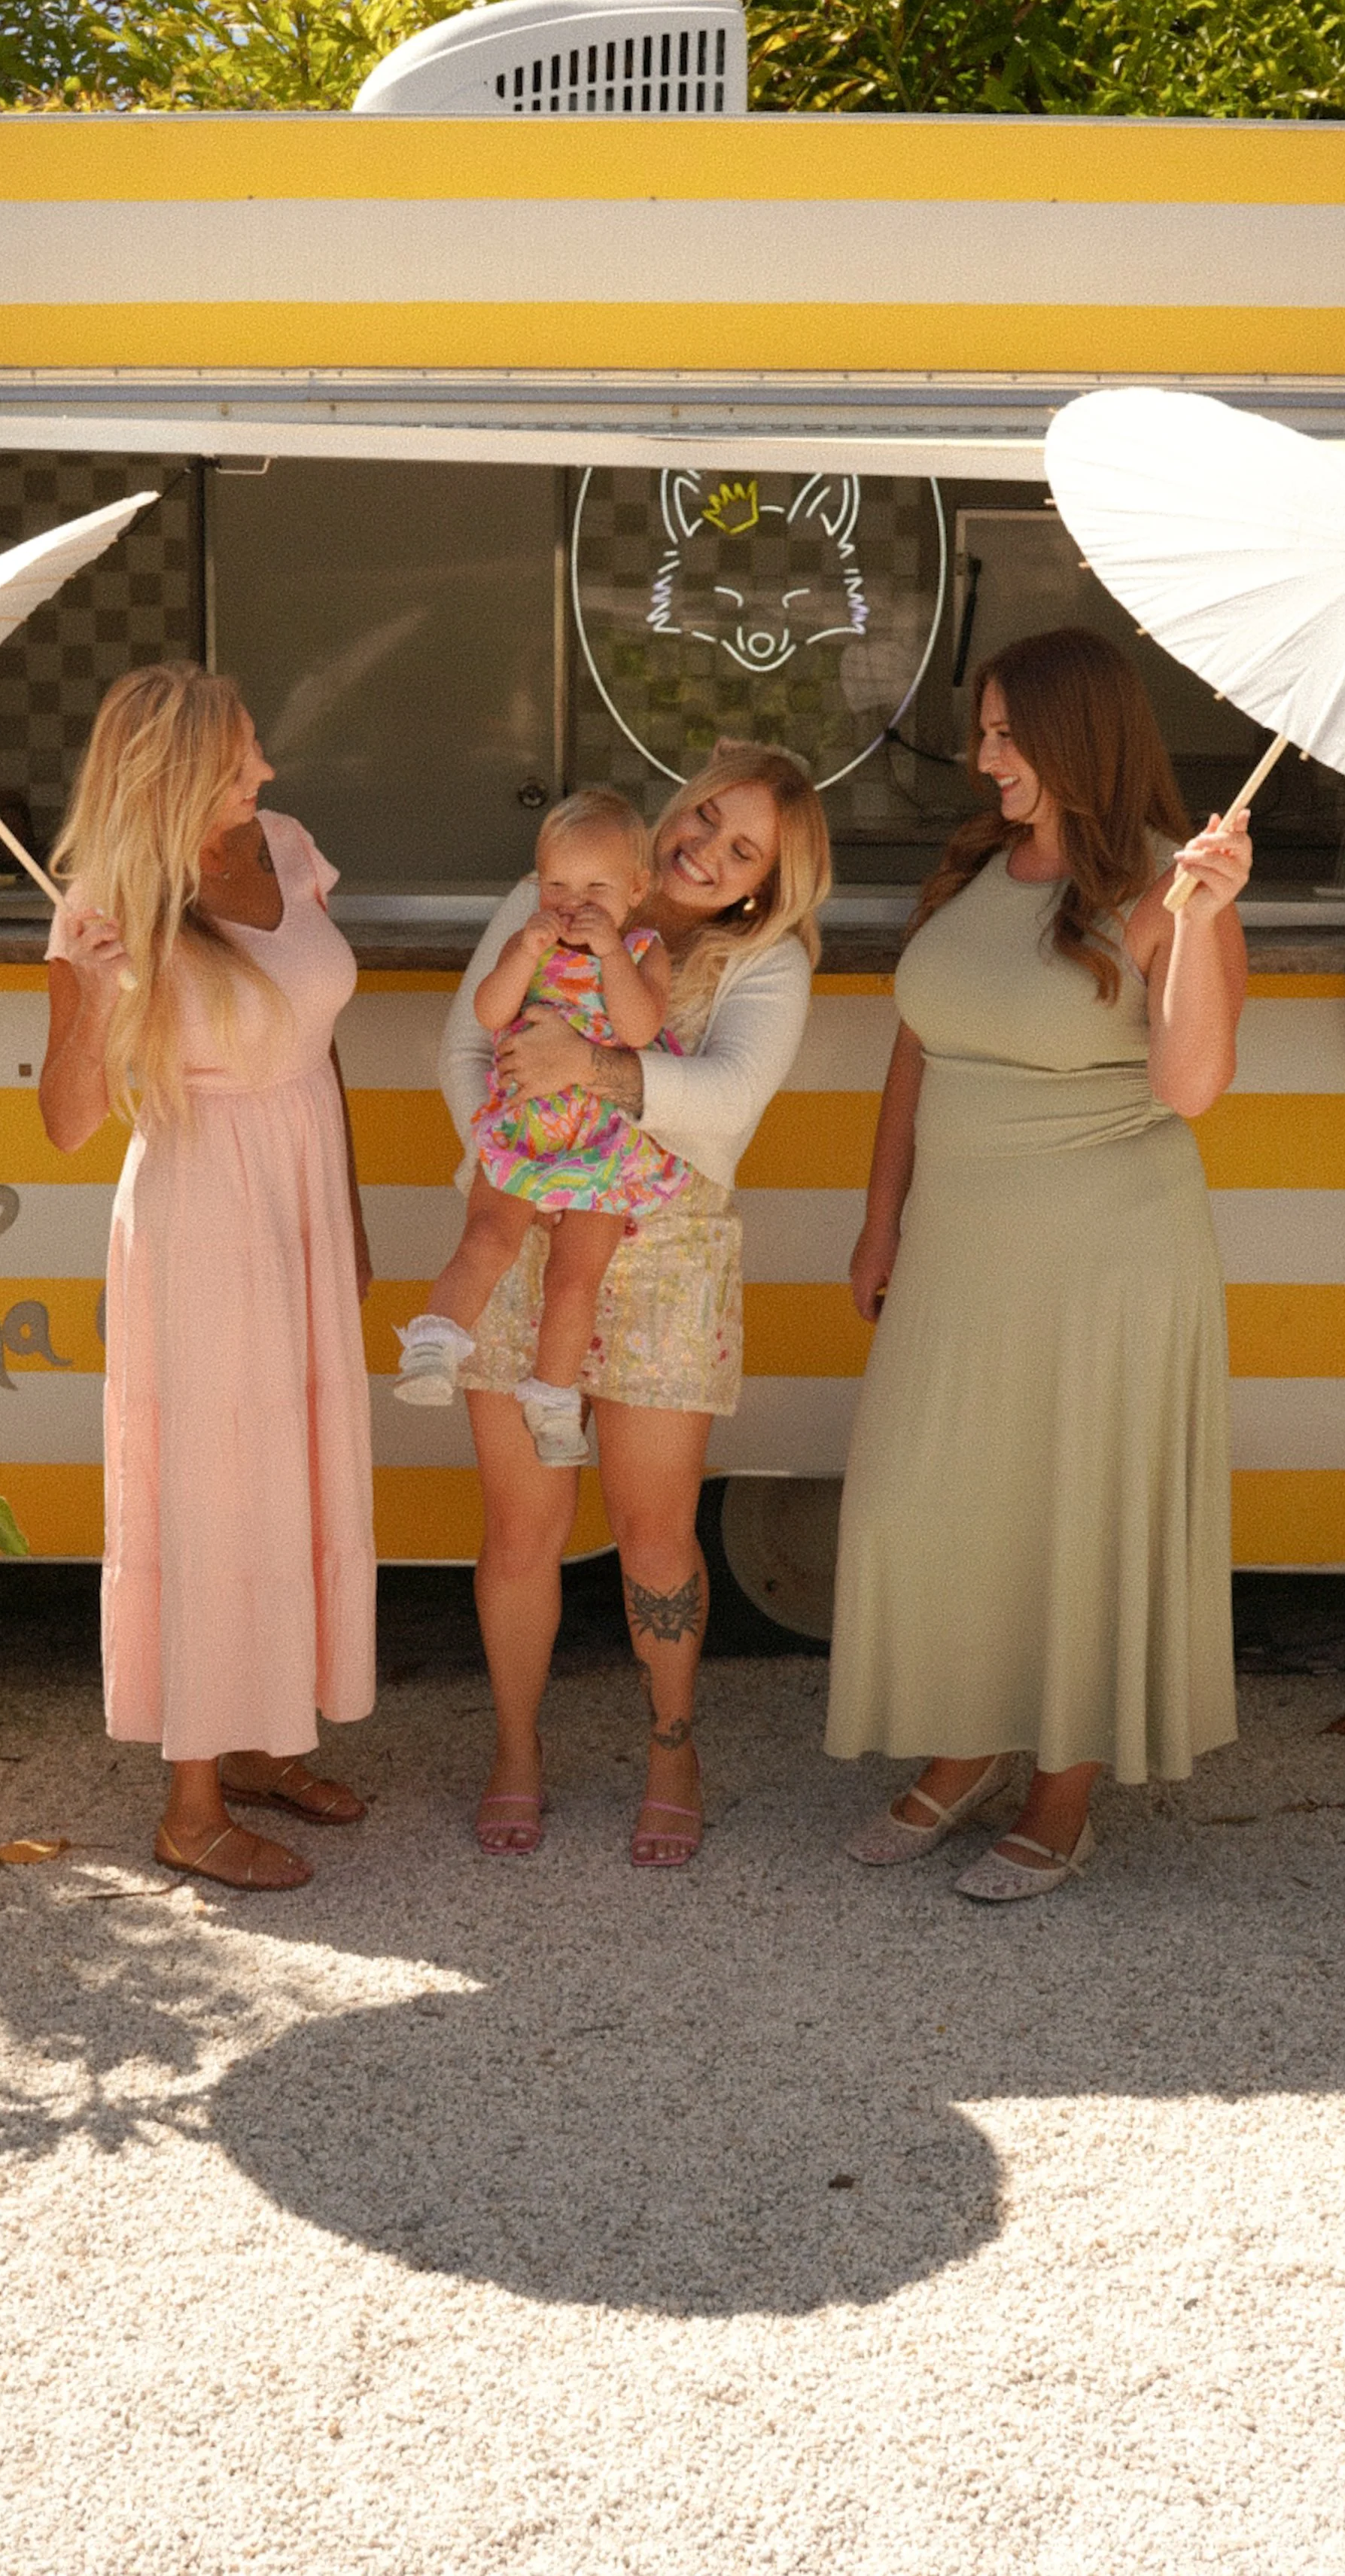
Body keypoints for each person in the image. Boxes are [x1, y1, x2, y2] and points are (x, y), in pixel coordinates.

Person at [825, 627, 1252, 1901]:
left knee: (1073, 1512)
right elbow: (919, 1046)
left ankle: (1063, 1791)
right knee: (937, 1497)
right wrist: (881, 1213)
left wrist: (1202, 925)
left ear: (1076, 737)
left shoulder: (1175, 891)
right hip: (958, 1249)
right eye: (985, 728)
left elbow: (1188, 1088)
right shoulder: (976, 864)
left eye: (1007, 731)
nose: (983, 753)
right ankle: (970, 1743)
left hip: (1106, 1259)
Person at [439, 743, 832, 1865]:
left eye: (740, 845)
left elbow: (730, 1098)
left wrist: (589, 1072)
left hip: (670, 1255)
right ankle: (516, 1747)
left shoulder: (766, 958)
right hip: (530, 1230)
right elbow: (466, 1043)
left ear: (765, 881)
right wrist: (514, 1162)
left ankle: (673, 1750)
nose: (702, 845)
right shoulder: (565, 883)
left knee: (655, 1534)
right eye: (706, 813)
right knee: (522, 1526)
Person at [38, 665, 376, 1892]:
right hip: (201, 1216)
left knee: (284, 1475)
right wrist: (100, 983)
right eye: (242, 759)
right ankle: (190, 1803)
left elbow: (318, 1048)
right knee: (212, 1489)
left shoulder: (285, 848)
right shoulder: (102, 904)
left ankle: (257, 1739)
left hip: (299, 1190)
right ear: (179, 775)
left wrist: (347, 1212)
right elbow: (68, 1121)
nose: (267, 773)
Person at [396, 788, 688, 1469]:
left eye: (596, 887)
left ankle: (554, 1400)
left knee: (575, 1278)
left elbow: (640, 1029)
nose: (572, 902)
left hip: (605, 1142)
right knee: (488, 1237)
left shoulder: (644, 950)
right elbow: (490, 1011)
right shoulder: (528, 941)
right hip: (528, 1124)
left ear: (638, 889)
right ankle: (435, 1343)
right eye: (555, 884)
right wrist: (522, 955)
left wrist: (612, 954)